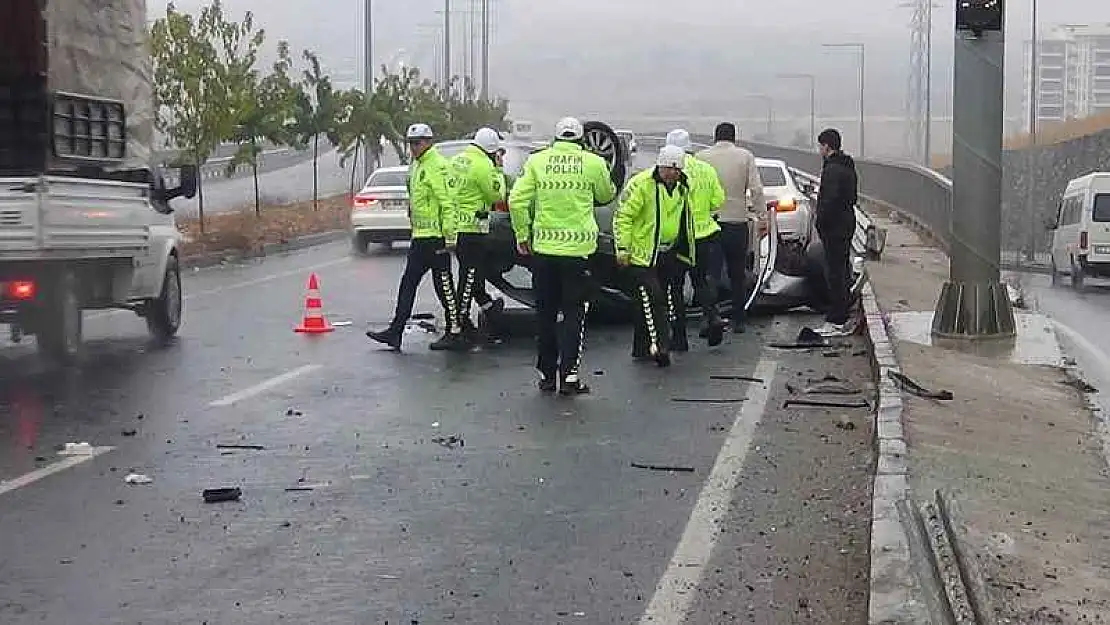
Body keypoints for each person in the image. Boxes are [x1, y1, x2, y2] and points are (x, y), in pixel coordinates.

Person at [508, 117, 616, 395]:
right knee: (574, 315)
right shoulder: (593, 163)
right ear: (580, 139)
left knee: (544, 314)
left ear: (555, 139)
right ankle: (569, 377)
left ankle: (546, 375)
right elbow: (606, 196)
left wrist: (522, 235)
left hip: (544, 251)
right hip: (579, 253)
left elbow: (517, 200)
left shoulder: (536, 162)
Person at [367, 123, 466, 352]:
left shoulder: (438, 165)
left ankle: (456, 331)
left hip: (437, 238)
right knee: (408, 283)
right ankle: (396, 330)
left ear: (428, 142)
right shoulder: (416, 165)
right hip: (421, 236)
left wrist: (450, 237)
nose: (413, 147)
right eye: (410, 143)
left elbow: (448, 203)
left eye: (418, 143)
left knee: (444, 287)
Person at [613, 145, 697, 367]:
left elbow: (683, 218)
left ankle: (640, 347)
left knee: (651, 302)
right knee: (654, 298)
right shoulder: (642, 185)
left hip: (667, 252)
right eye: (670, 169)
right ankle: (661, 346)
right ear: (660, 166)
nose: (673, 174)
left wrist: (685, 249)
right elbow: (623, 217)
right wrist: (623, 249)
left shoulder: (682, 187)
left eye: (677, 170)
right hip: (643, 254)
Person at [697, 122, 765, 333]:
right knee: (737, 272)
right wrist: (762, 217)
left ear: (715, 137)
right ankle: (739, 319)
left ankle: (710, 316)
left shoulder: (701, 158)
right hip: (737, 221)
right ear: (734, 137)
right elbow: (756, 189)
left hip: (710, 223)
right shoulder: (745, 156)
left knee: (711, 274)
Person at [665, 129, 727, 348]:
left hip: (680, 238)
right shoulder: (707, 169)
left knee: (675, 287)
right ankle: (713, 316)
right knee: (701, 281)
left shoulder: (670, 170)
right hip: (706, 234)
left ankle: (679, 337)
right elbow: (718, 200)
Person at [448, 127, 508, 345]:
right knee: (469, 280)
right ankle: (462, 325)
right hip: (474, 229)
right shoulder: (484, 165)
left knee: (471, 278)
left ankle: (488, 309)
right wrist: (499, 170)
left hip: (455, 228)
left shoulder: (457, 160)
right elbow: (496, 194)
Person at [814, 128, 858, 336]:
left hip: (835, 228)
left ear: (826, 146)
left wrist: (820, 222)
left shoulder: (832, 170)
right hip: (846, 223)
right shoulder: (848, 167)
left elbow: (828, 201)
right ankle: (842, 313)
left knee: (835, 274)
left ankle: (837, 318)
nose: (819, 150)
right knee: (841, 270)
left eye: (820, 146)